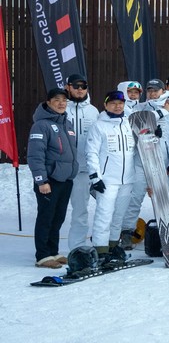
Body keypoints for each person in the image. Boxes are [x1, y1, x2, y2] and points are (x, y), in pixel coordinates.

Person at [120, 81, 169, 250]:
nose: (152, 93)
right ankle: (127, 232)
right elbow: (131, 131)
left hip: (162, 162)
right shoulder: (139, 108)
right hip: (141, 160)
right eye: (149, 90)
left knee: (165, 200)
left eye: (156, 90)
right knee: (134, 198)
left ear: (163, 91)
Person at [27, 87, 79, 268]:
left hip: (65, 180)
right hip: (50, 181)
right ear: (48, 103)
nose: (61, 103)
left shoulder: (67, 123)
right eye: (56, 100)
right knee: (46, 218)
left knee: (58, 218)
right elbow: (35, 155)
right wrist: (42, 180)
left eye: (64, 100)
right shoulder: (41, 125)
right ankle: (42, 256)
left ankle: (53, 252)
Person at [85, 90, 138, 265]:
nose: (117, 106)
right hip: (107, 180)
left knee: (119, 216)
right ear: (106, 105)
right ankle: (100, 249)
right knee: (104, 215)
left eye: (120, 103)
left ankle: (113, 245)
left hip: (127, 179)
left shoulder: (129, 124)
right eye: (113, 103)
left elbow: (143, 141)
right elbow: (91, 153)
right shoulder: (99, 126)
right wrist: (95, 177)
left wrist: (155, 134)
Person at [64, 73, 99, 251]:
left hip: (83, 171)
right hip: (61, 170)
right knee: (55, 212)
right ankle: (48, 251)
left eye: (83, 86)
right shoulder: (61, 108)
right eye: (75, 86)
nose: (79, 89)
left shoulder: (94, 111)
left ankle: (77, 248)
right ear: (67, 87)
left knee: (80, 211)